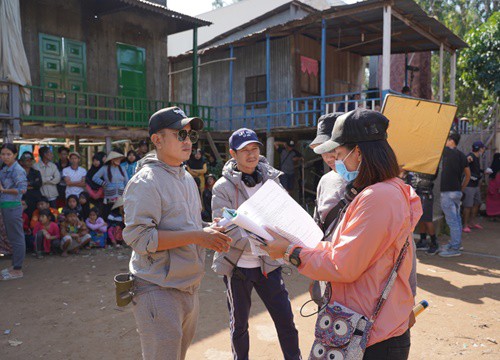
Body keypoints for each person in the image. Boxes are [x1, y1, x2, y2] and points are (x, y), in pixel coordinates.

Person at [264, 109, 422, 359]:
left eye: (339, 155)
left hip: (371, 333)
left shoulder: (377, 197)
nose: (337, 164)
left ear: (358, 152)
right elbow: (346, 251)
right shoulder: (389, 190)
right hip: (369, 323)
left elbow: (342, 266)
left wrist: (289, 252)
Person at [122, 106, 231, 360]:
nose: (188, 141)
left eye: (190, 135)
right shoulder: (146, 181)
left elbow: (187, 225)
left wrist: (207, 229)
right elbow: (140, 239)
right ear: (157, 140)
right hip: (157, 289)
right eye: (180, 134)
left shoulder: (186, 178)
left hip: (187, 287)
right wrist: (197, 235)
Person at [211, 128, 301, 360]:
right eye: (244, 151)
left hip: (269, 265)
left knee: (286, 320)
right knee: (239, 325)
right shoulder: (222, 187)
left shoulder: (271, 182)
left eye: (255, 149)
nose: (251, 155)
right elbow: (223, 226)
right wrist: (262, 240)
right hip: (238, 267)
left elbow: (282, 215)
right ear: (232, 154)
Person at [439, 132, 470, 257]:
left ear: (451, 141)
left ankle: (455, 247)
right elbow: (468, 174)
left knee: (452, 221)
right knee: (456, 220)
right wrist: (461, 188)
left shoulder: (445, 152)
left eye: (447, 139)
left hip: (448, 192)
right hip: (456, 192)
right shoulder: (462, 155)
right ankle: (455, 243)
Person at [0, 144, 28, 281]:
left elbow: (22, 189)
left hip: (12, 206)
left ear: (15, 155)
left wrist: (3, 190)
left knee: (16, 237)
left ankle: (17, 269)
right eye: (3, 154)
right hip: (6, 205)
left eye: (8, 154)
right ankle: (15, 266)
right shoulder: (6, 168)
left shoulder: (18, 170)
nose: (5, 157)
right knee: (13, 237)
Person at [92, 151, 128, 218]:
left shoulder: (122, 168)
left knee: (121, 215)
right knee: (108, 215)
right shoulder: (104, 168)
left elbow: (127, 182)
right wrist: (103, 183)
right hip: (109, 197)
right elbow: (95, 177)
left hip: (121, 196)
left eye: (119, 159)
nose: (119, 160)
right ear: (112, 160)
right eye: (117, 159)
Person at [412, 172, 440, 255]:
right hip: (419, 192)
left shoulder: (431, 163)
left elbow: (432, 175)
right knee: (420, 218)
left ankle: (434, 243)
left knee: (427, 219)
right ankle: (423, 240)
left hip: (426, 193)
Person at [463, 141, 486, 232]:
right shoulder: (471, 156)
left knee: (477, 203)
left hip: (476, 185)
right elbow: (465, 163)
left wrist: (483, 171)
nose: (483, 150)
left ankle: (472, 222)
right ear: (479, 148)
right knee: (468, 205)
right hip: (469, 185)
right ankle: (465, 225)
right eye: (483, 148)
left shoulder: (477, 157)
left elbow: (476, 169)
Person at [19, 151, 43, 217]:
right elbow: (18, 185)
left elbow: (38, 184)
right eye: (27, 160)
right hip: (22, 198)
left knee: (34, 215)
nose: (29, 162)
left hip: (34, 198)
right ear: (21, 162)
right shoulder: (17, 172)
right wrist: (32, 183)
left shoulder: (36, 172)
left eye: (30, 160)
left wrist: (26, 184)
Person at [486, 153, 500, 218]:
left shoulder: (491, 168)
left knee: (491, 202)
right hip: (497, 190)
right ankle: (497, 214)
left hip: (492, 190)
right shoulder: (498, 172)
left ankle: (491, 215)